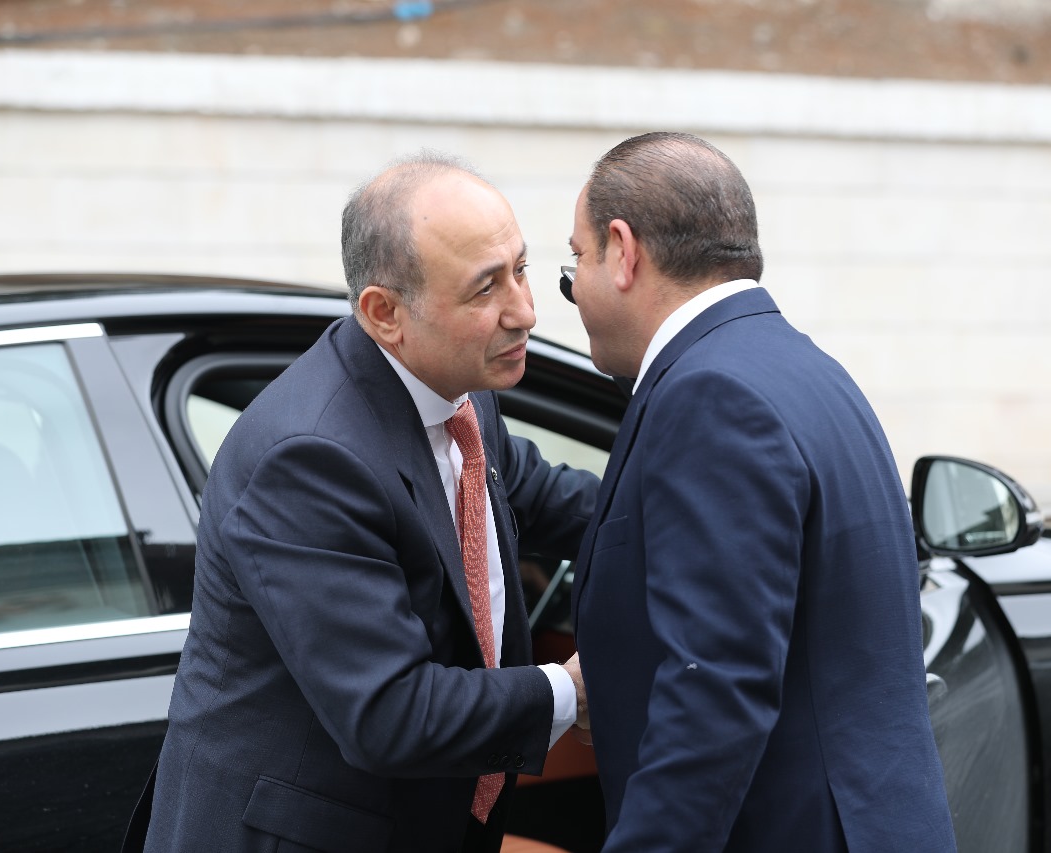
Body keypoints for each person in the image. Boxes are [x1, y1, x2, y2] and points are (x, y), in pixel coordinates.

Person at [126, 152, 599, 853]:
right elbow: (391, 712)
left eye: (521, 269)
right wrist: (570, 689)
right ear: (385, 313)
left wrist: (709, 511)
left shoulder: (459, 392)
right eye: (484, 289)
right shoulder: (310, 460)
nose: (524, 311)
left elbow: (557, 500)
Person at [563, 132, 957, 852]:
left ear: (623, 251)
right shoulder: (803, 366)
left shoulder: (711, 395)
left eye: (576, 261)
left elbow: (714, 686)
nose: (574, 291)